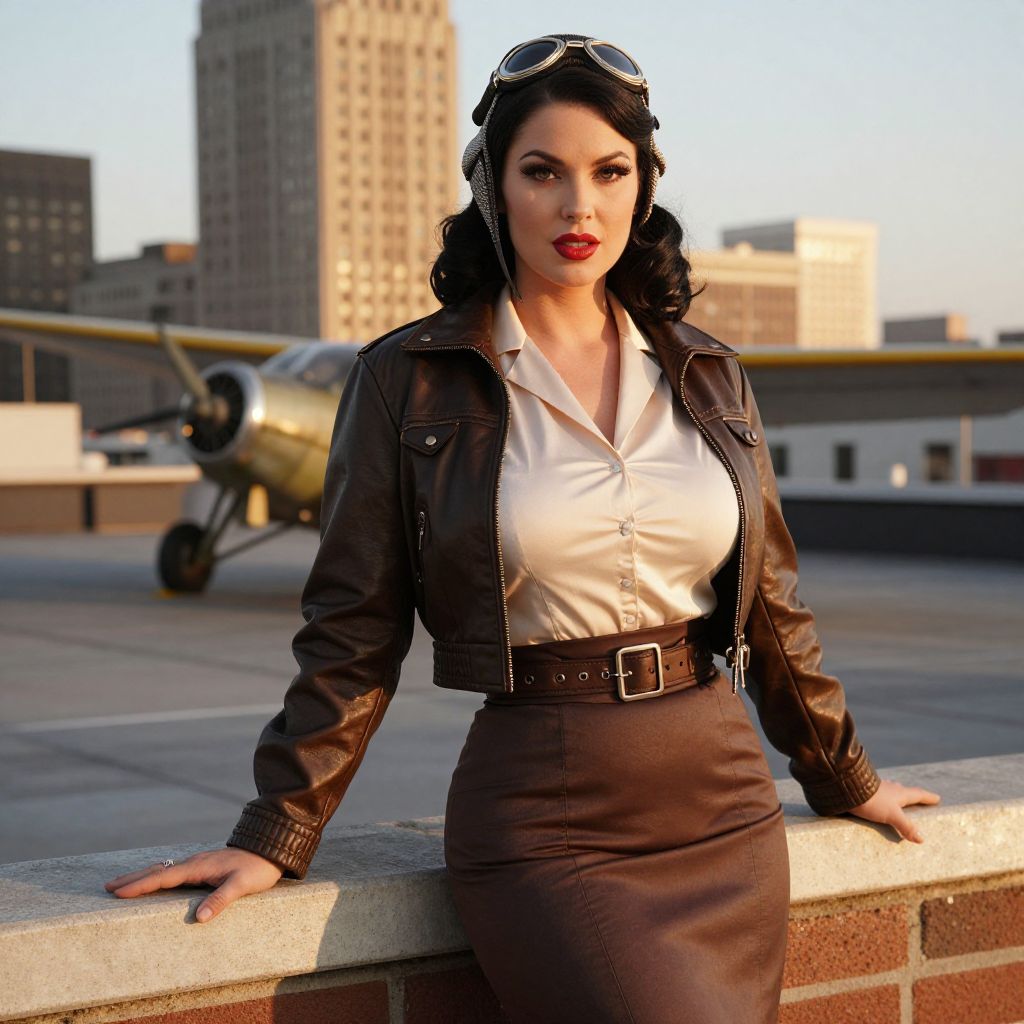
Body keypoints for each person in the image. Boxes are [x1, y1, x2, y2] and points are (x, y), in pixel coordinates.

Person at [105, 33, 941, 1023]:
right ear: (494, 186)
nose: (578, 206)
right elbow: (352, 625)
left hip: (721, 800)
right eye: (542, 171)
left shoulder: (708, 371)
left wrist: (843, 774)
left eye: (608, 171)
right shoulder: (405, 380)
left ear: (643, 183)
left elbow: (771, 606)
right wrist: (277, 827)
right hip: (550, 814)